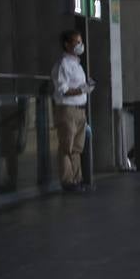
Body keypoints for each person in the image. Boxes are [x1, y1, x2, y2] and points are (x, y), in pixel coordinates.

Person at [52, 29, 92, 193]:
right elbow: (62, 89)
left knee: (77, 148)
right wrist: (82, 90)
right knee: (66, 146)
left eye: (81, 42)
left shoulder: (77, 64)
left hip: (80, 110)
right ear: (67, 44)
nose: (80, 45)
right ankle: (68, 182)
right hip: (67, 110)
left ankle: (78, 179)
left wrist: (85, 88)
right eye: (77, 42)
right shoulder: (62, 64)